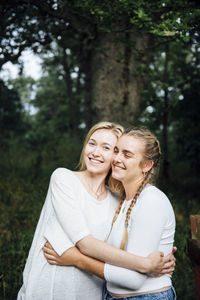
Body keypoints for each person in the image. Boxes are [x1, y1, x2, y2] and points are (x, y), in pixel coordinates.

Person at [18, 122, 175, 300]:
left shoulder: (119, 200)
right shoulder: (63, 179)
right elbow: (86, 243)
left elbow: (126, 253)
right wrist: (145, 264)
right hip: (51, 290)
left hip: (92, 293)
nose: (96, 152)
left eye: (108, 148)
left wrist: (162, 254)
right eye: (91, 143)